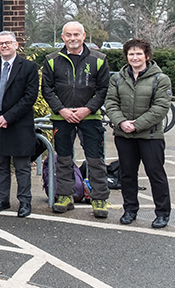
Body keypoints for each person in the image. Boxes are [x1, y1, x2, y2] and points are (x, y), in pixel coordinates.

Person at [41, 21, 111, 218]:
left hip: (90, 117)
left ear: (84, 36)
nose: (72, 38)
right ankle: (65, 195)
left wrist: (87, 109)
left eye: (76, 35)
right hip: (61, 117)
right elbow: (47, 89)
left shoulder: (98, 59)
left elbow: (103, 89)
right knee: (63, 159)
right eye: (68, 35)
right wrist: (61, 110)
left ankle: (99, 199)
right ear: (62, 37)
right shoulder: (52, 59)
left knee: (95, 159)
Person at [104, 39, 172, 228]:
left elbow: (160, 107)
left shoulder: (160, 79)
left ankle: (162, 213)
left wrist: (137, 125)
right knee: (127, 175)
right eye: (131, 54)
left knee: (155, 174)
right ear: (126, 56)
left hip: (150, 136)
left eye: (138, 54)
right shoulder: (117, 78)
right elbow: (110, 102)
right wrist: (121, 122)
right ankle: (130, 210)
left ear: (147, 56)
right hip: (124, 135)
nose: (135, 57)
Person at [0, 31, 39, 218]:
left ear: (16, 45)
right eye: (1, 43)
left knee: (22, 167)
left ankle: (25, 202)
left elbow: (30, 97)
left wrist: (8, 117)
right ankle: (2, 200)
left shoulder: (28, 67)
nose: (4, 46)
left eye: (8, 43)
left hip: (18, 124)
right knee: (0, 165)